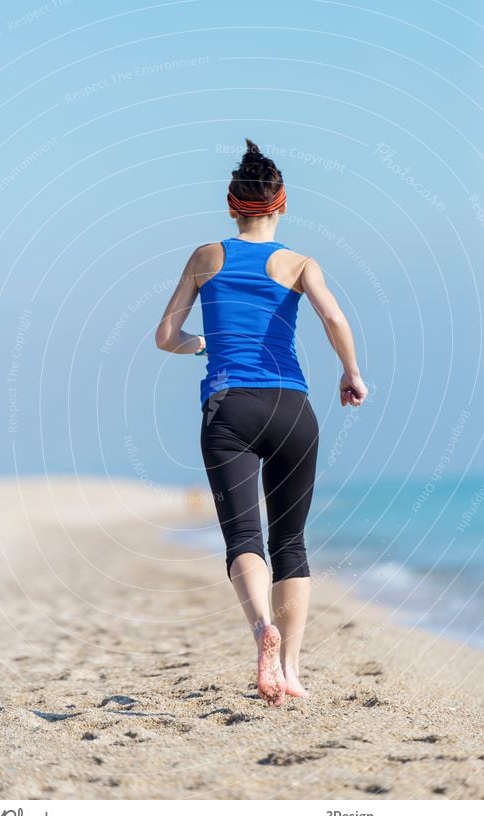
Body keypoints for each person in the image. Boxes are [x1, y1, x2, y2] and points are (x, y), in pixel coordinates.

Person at [155, 139, 368, 707]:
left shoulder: (205, 257)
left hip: (230, 406)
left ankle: (261, 635)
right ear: (282, 204)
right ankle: (293, 669)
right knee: (291, 541)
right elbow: (333, 316)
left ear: (232, 206)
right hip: (291, 408)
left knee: (244, 538)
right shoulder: (300, 263)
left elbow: (164, 338)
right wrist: (351, 372)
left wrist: (202, 343)